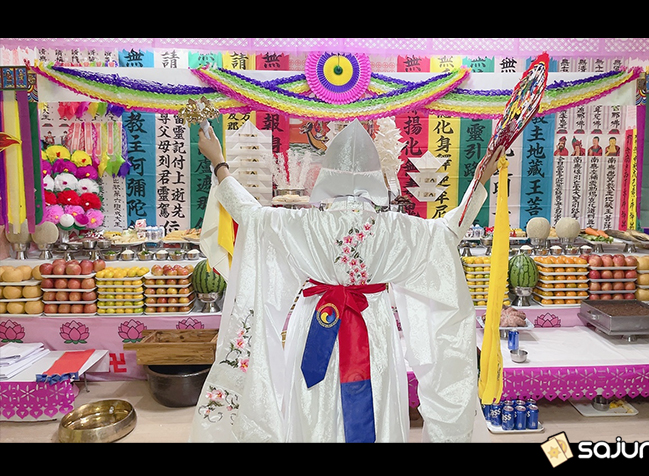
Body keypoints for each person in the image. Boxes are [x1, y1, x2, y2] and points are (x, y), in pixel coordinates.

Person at [188, 119, 501, 443]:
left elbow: (249, 214)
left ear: (326, 173)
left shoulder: (305, 223)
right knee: (376, 402)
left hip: (315, 324)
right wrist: (479, 181)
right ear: (376, 175)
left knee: (313, 406)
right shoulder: (394, 228)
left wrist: (219, 163)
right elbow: (449, 231)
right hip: (373, 328)